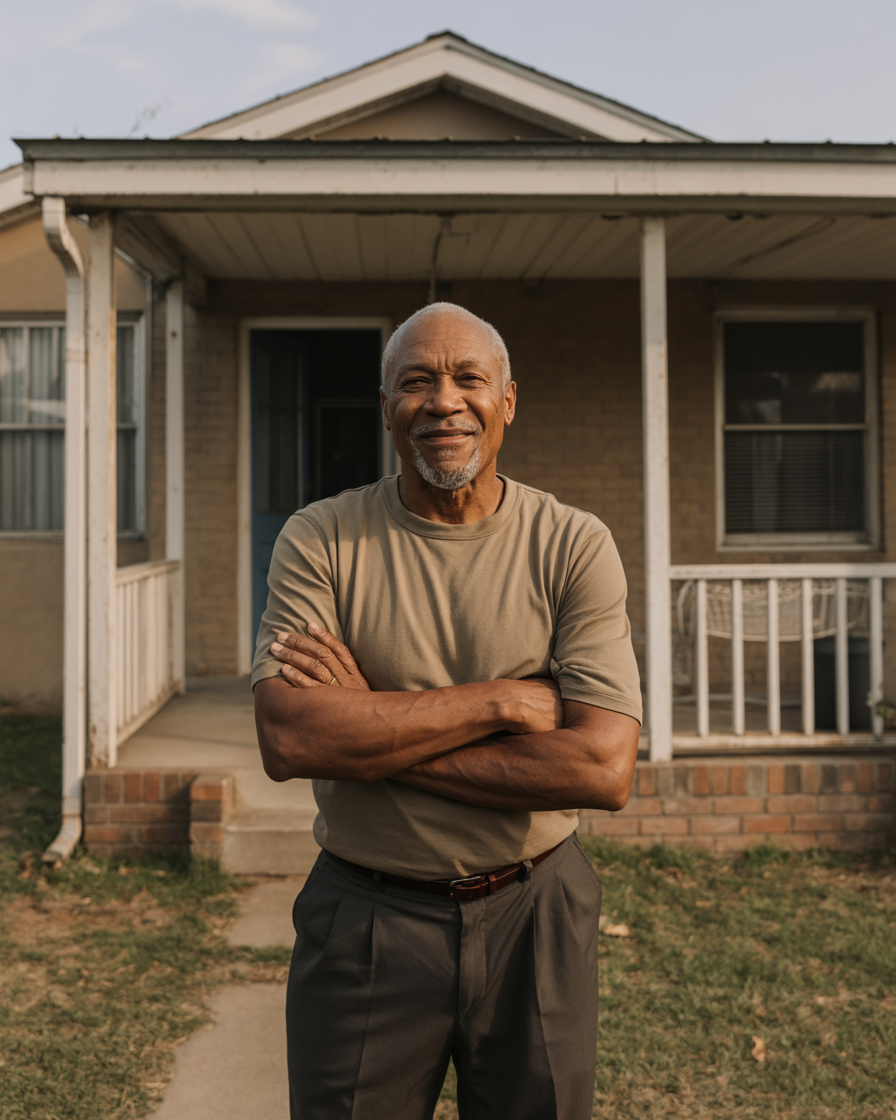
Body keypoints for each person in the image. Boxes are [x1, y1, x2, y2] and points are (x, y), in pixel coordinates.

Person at [252, 302, 642, 1120]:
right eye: (416, 382)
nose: (443, 401)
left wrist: (368, 728)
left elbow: (601, 769)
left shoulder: (572, 544)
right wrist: (502, 702)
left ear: (507, 400)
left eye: (469, 378)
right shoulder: (320, 538)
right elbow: (291, 736)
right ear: (387, 404)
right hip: (365, 915)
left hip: (537, 909)